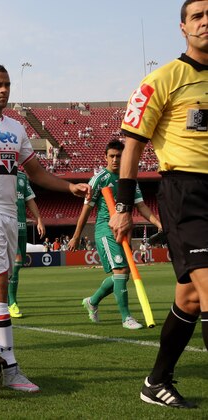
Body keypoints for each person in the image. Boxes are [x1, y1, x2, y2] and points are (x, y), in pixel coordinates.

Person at [0, 63, 90, 392]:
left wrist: (70, 187)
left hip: (9, 215)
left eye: (7, 84)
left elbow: (36, 172)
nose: (4, 90)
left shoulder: (17, 128)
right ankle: (9, 367)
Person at [109, 0, 208, 408]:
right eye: (198, 16)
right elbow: (132, 144)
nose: (206, 21)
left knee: (189, 297)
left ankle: (156, 381)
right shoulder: (163, 78)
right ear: (182, 27)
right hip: (187, 195)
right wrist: (123, 206)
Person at [68, 140, 162, 329]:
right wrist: (76, 236)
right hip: (105, 229)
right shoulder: (99, 178)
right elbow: (86, 210)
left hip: (123, 230)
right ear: (105, 157)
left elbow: (141, 206)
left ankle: (92, 301)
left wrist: (159, 223)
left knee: (123, 275)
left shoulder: (130, 181)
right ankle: (126, 317)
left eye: (119, 156)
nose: (115, 160)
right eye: (112, 156)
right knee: (120, 272)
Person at [8, 170, 45, 318]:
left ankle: (5, 300)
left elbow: (30, 200)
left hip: (21, 228)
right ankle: (12, 303)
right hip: (7, 227)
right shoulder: (0, 174)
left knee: (16, 266)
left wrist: (39, 220)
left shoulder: (23, 177)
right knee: (14, 264)